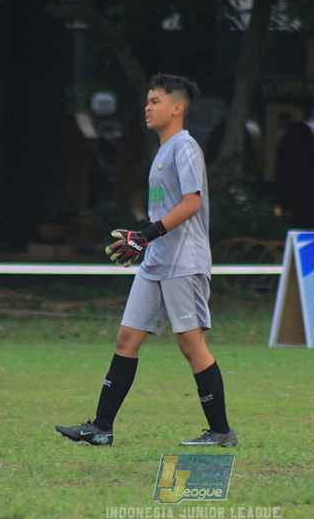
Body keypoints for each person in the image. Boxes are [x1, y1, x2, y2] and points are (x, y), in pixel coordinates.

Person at [55, 73, 236, 447]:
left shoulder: (184, 146)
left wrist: (145, 236)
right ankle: (101, 428)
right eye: (147, 101)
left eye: (155, 101)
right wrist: (140, 238)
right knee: (126, 338)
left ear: (177, 107)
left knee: (191, 346)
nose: (147, 108)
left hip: (184, 261)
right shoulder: (162, 152)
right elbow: (165, 212)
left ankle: (221, 432)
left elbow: (192, 203)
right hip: (156, 261)